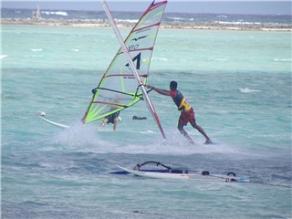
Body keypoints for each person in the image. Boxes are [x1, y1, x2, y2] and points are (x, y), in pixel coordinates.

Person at [147, 81, 212, 144]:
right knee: (194, 125)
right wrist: (153, 88)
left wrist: (154, 88)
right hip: (190, 109)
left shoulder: (173, 93)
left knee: (180, 128)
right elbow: (165, 91)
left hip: (185, 112)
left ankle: (191, 142)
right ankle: (207, 139)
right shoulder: (177, 91)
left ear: (170, 86)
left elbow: (163, 93)